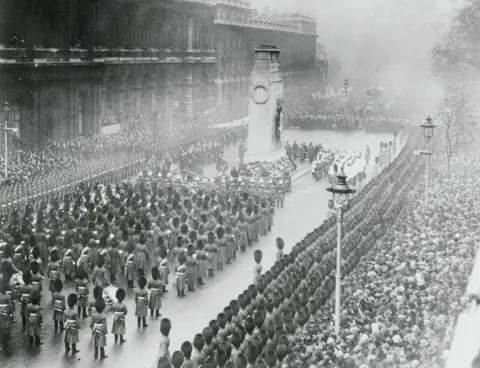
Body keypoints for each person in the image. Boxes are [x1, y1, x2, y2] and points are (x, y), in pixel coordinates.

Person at [0, 280, 13, 353]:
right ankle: (6, 347)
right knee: (5, 327)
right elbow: (10, 306)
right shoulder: (8, 296)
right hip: (5, 314)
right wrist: (11, 314)